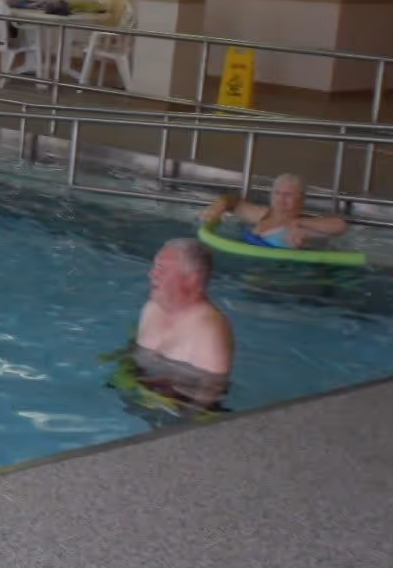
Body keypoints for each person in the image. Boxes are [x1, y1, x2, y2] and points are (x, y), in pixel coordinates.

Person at [128, 239, 233, 410]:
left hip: (176, 411)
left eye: (162, 269)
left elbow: (208, 397)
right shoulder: (152, 308)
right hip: (143, 396)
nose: (152, 274)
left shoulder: (209, 331)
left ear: (192, 279)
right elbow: (133, 355)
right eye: (155, 267)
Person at [198, 173, 348, 249]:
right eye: (277, 193)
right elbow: (233, 202)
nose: (281, 199)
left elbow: (340, 226)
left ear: (301, 200)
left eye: (288, 195)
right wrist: (218, 206)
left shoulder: (304, 225)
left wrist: (298, 222)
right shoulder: (262, 214)